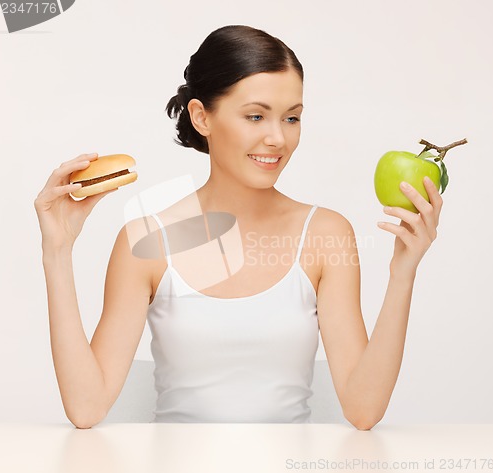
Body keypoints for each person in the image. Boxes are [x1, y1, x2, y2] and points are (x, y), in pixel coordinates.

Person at [34, 25, 442, 430]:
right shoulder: (147, 241)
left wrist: (402, 272)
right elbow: (86, 409)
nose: (277, 138)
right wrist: (57, 250)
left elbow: (363, 410)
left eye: (292, 118)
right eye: (255, 116)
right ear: (201, 117)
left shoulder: (325, 234)